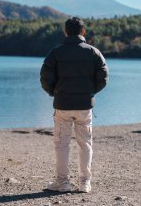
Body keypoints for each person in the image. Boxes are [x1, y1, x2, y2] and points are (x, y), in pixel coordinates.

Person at [40, 17, 108, 193]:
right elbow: (103, 78)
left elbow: (45, 78)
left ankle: (62, 182)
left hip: (62, 104)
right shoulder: (93, 52)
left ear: (65, 31)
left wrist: (53, 92)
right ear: (83, 32)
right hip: (85, 105)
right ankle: (85, 183)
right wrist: (89, 93)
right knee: (85, 143)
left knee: (61, 144)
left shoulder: (55, 53)